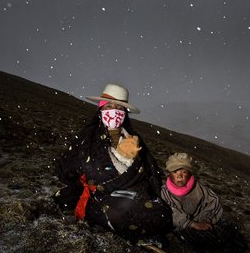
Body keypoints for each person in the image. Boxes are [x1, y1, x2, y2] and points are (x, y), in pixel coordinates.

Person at [53, 83, 172, 242]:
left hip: (133, 194)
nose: (114, 110)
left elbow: (149, 172)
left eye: (119, 107)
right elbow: (66, 170)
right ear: (100, 109)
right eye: (109, 106)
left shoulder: (134, 139)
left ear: (125, 113)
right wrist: (87, 181)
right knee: (118, 214)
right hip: (102, 197)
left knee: (161, 213)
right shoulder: (86, 139)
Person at [160, 152, 249, 253]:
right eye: (175, 172)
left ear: (190, 173)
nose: (180, 176)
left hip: (201, 219)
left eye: (184, 172)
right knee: (202, 238)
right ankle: (221, 250)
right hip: (183, 227)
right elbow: (170, 212)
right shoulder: (165, 192)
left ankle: (241, 251)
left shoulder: (199, 188)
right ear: (169, 173)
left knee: (229, 227)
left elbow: (213, 201)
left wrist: (206, 220)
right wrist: (192, 224)